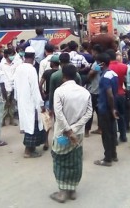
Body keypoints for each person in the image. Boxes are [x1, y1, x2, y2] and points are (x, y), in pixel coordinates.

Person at [50, 65, 92, 203]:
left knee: (59, 161)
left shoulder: (59, 91)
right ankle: (72, 190)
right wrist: (75, 128)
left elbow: (59, 113)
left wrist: (68, 130)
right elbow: (89, 113)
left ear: (63, 76)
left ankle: (62, 193)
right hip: (77, 133)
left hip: (62, 134)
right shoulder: (85, 92)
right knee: (75, 160)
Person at [14, 46, 46, 158]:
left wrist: (17, 99)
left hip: (22, 101)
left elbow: (16, 86)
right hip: (31, 102)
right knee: (32, 125)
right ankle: (28, 151)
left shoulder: (18, 68)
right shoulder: (31, 69)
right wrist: (41, 104)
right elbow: (35, 88)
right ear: (33, 57)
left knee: (28, 124)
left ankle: (31, 148)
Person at [93, 53, 119, 167]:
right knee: (112, 132)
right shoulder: (113, 74)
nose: (96, 65)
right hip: (111, 108)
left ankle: (107, 159)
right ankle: (113, 154)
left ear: (102, 64)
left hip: (105, 108)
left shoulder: (104, 78)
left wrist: (112, 108)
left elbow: (110, 95)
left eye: (97, 63)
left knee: (106, 135)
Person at [107, 49, 128, 142]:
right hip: (121, 93)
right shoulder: (124, 66)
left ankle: (114, 139)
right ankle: (123, 136)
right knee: (122, 116)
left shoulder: (107, 68)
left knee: (112, 117)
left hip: (110, 95)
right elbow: (127, 81)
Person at [85, 45, 102, 136]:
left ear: (95, 52)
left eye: (92, 52)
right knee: (99, 111)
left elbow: (90, 75)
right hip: (101, 90)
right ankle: (100, 128)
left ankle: (87, 131)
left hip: (94, 90)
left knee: (89, 111)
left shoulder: (97, 64)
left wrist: (88, 75)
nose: (92, 53)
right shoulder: (103, 62)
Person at [0, 48, 19, 126]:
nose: (12, 56)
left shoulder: (16, 63)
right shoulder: (2, 64)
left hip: (13, 85)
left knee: (12, 104)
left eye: (13, 54)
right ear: (7, 55)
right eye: (11, 55)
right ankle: (3, 120)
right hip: (5, 86)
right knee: (4, 104)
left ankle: (11, 120)